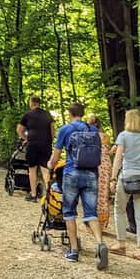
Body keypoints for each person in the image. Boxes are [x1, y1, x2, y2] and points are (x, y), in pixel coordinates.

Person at [47, 101, 108, 269]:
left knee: (69, 212)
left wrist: (50, 165)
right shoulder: (93, 130)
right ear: (82, 113)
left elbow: (57, 153)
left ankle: (74, 251)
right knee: (90, 213)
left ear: (70, 114)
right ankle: (100, 243)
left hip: (71, 173)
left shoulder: (65, 129)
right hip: (91, 174)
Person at [108, 109, 140, 261]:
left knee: (119, 209)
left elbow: (118, 159)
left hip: (126, 176)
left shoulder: (123, 136)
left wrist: (113, 179)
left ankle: (121, 244)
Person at [17, 96, 55, 202]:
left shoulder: (28, 115)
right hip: (45, 144)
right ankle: (49, 197)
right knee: (45, 170)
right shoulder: (47, 114)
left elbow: (19, 130)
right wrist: (50, 140)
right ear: (39, 103)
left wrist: (26, 138)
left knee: (32, 169)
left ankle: (33, 195)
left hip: (32, 144)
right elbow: (52, 129)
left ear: (31, 103)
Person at [86, 114, 112, 230]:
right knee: (103, 195)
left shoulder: (89, 136)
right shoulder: (106, 136)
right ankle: (101, 223)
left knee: (91, 194)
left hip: (94, 165)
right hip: (105, 166)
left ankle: (91, 223)